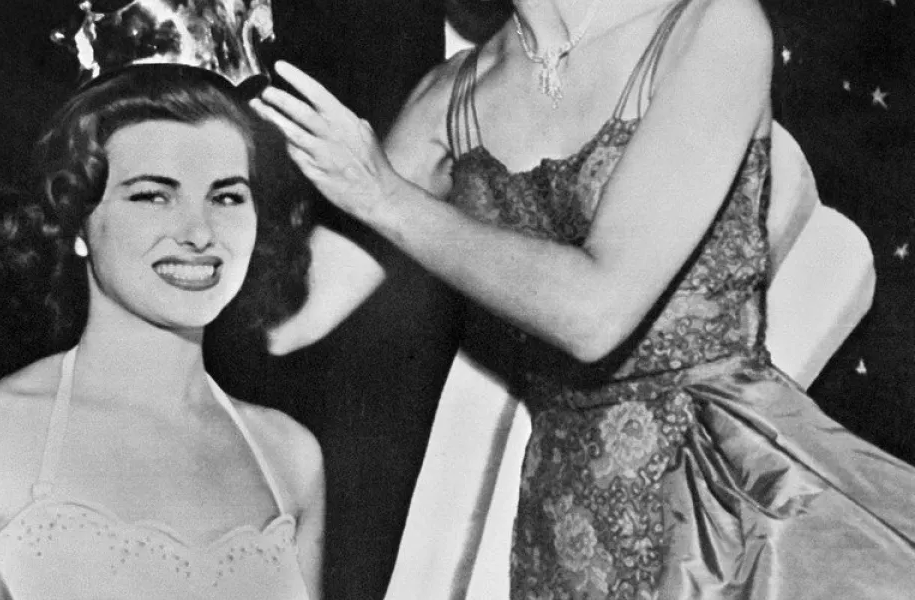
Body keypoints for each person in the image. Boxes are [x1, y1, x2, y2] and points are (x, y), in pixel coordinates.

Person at [253, 0, 915, 597]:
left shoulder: (710, 23)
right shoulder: (447, 98)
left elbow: (595, 312)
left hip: (732, 494)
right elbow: (294, 318)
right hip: (570, 524)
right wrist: (219, 150)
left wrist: (384, 197)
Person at [0, 63, 324, 600]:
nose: (199, 233)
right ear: (76, 221)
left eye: (226, 197)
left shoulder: (289, 457)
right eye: (153, 195)